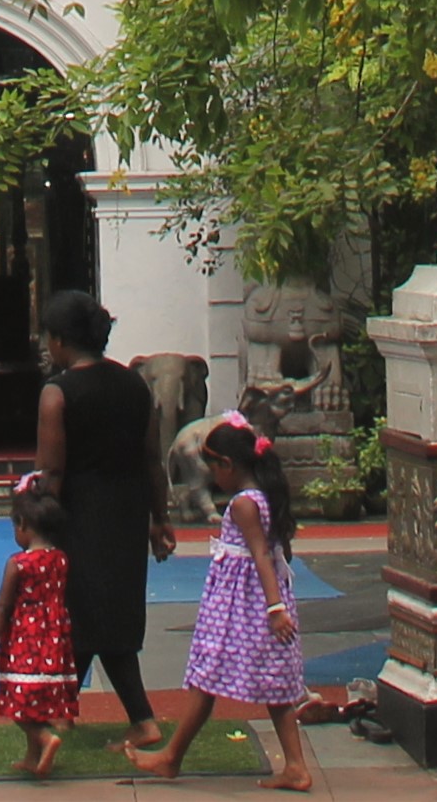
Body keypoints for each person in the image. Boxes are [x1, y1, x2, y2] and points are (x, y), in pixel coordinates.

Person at [138, 420, 312, 792]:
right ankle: (295, 766)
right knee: (272, 683)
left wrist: (274, 608)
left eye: (213, 468)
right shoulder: (264, 495)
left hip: (242, 609)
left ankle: (171, 758)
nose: (213, 477)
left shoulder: (244, 504)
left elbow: (262, 555)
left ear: (228, 465)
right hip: (247, 603)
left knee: (207, 677)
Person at [35, 289, 170, 751]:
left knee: (83, 614)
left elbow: (51, 470)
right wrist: (160, 518)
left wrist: (38, 528)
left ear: (58, 341)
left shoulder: (58, 393)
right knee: (108, 615)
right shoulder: (135, 385)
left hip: (79, 515)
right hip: (128, 511)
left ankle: (79, 714)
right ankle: (83, 714)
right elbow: (154, 459)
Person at [0, 473, 80, 776]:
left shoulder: (18, 563)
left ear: (23, 525)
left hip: (25, 639)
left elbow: (2, 605)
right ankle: (33, 754)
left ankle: (44, 737)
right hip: (54, 639)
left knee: (18, 699)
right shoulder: (61, 559)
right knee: (38, 699)